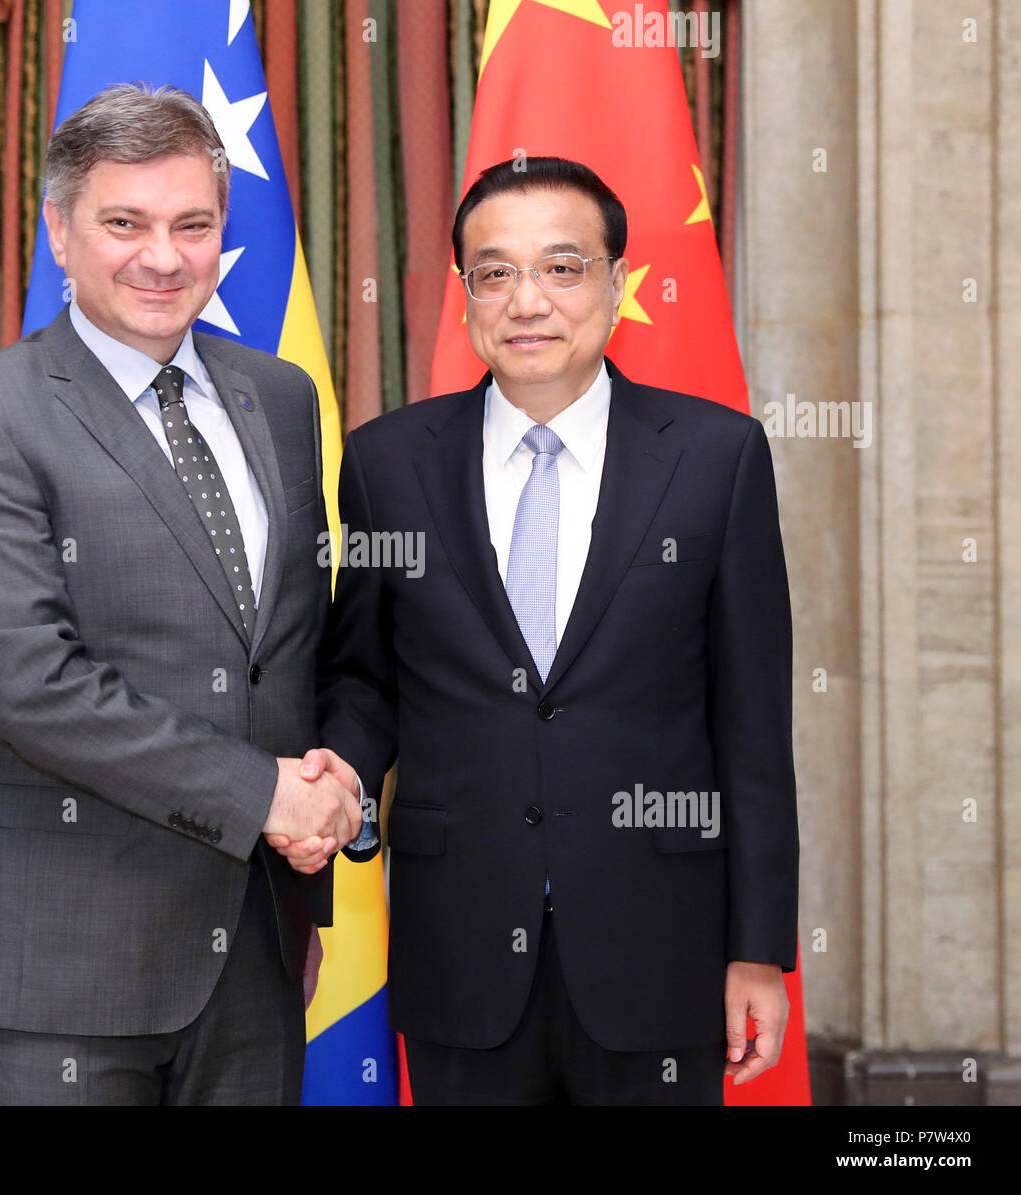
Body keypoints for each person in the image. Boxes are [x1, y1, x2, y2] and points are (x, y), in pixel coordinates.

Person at [288, 156, 799, 1105]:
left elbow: (755, 728)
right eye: (495, 271)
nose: (528, 299)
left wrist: (757, 951)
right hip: (460, 948)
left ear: (615, 282)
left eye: (563, 267)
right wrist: (340, 782)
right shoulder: (387, 461)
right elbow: (361, 679)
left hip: (661, 950)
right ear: (466, 294)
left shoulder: (716, 457)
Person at [0, 83, 362, 1106]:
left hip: (253, 950)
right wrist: (267, 799)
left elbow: (290, 648)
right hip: (61, 963)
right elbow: (27, 686)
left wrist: (329, 800)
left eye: (192, 225)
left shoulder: (278, 398)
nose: (163, 256)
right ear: (59, 233)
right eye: (125, 223)